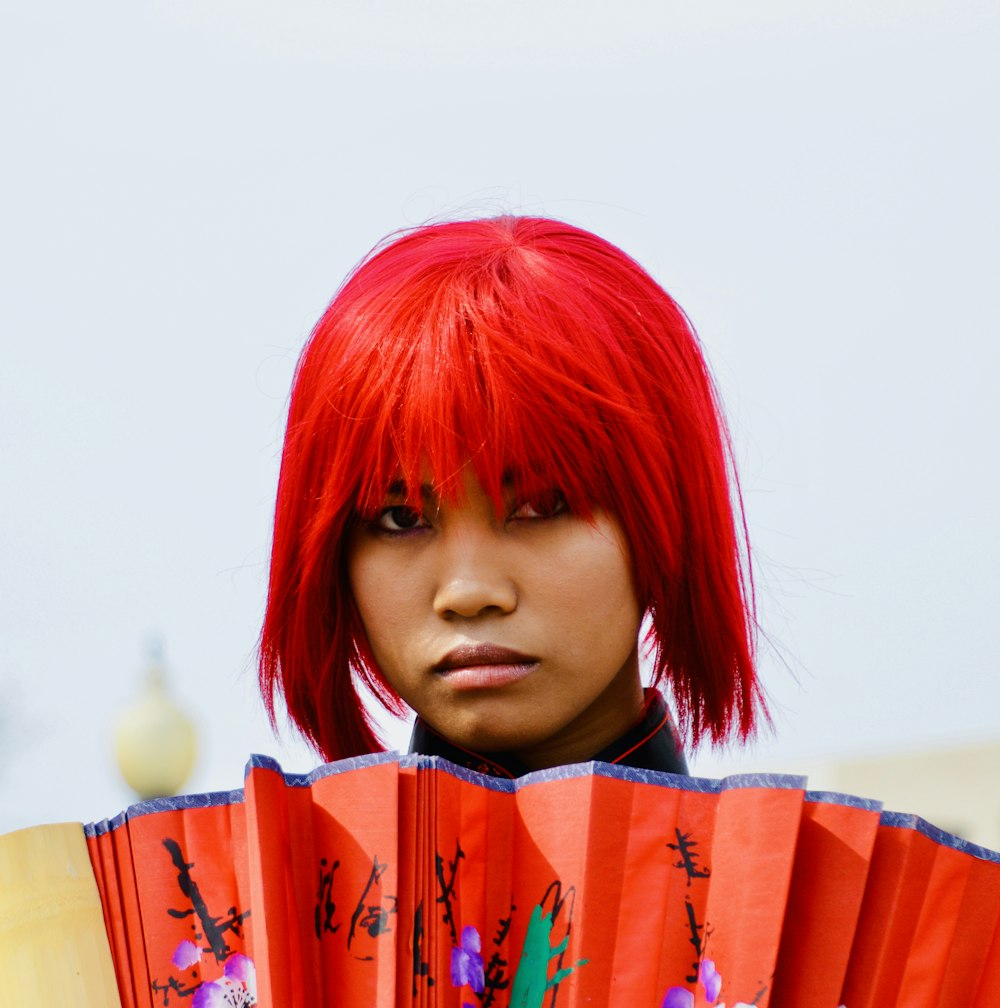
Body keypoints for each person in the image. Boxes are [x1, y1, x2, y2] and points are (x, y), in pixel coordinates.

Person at [259, 215, 765, 779]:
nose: (469, 592)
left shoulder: (821, 869)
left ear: (667, 518)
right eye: (400, 518)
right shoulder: (244, 870)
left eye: (542, 507)